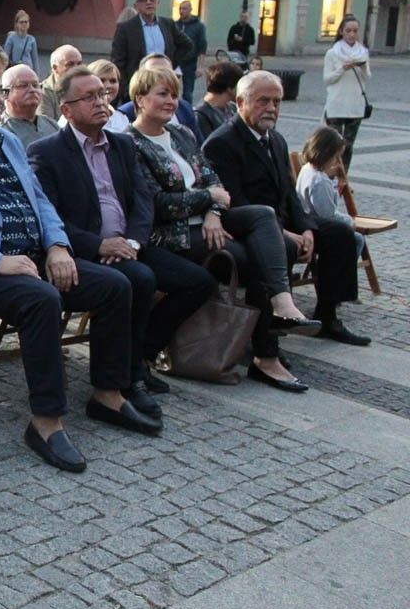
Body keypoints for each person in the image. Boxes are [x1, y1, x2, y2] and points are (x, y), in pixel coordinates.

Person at [0, 56, 147, 474]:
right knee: (41, 299)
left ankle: (108, 392)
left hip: (32, 259)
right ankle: (46, 422)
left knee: (115, 285)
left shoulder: (9, 141)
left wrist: (56, 246)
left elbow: (42, 203)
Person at [29, 67, 217, 406]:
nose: (101, 102)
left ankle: (141, 355)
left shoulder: (121, 145)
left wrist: (132, 242)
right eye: (89, 97)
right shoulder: (48, 152)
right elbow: (49, 216)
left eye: (102, 94)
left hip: (128, 246)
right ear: (66, 110)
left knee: (198, 281)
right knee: (139, 280)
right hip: (83, 251)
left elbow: (142, 202)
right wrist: (98, 244)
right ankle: (125, 380)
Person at [127, 66, 317, 390]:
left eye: (175, 94)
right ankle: (266, 354)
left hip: (207, 224)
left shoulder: (182, 135)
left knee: (263, 215)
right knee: (260, 256)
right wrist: (207, 199)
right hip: (171, 233)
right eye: (163, 94)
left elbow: (216, 183)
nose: (172, 101)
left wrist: (214, 211)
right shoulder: (130, 143)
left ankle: (281, 305)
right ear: (140, 99)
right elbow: (157, 203)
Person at [202, 70, 370, 351]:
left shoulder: (275, 140)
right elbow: (235, 202)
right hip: (247, 227)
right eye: (263, 101)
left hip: (282, 222)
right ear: (241, 102)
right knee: (285, 247)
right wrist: (287, 234)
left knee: (340, 233)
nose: (271, 108)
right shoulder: (222, 143)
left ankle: (328, 316)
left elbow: (289, 194)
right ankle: (269, 335)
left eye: (277, 102)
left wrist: (306, 228)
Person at [110, 0, 194, 94]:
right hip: (139, 86)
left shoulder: (167, 24)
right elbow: (118, 61)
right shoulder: (126, 28)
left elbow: (187, 45)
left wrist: (170, 64)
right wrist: (126, 89)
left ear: (157, 2)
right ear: (136, 5)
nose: (148, 2)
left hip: (165, 84)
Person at [297, 127, 365, 258]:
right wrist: (349, 221)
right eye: (336, 156)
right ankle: (344, 272)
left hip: (308, 222)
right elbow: (328, 215)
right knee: (357, 239)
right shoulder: (320, 181)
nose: (337, 161)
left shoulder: (307, 169)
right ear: (327, 155)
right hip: (318, 228)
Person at [322, 14, 370, 171]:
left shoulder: (363, 52)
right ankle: (330, 173)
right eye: (348, 30)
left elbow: (367, 77)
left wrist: (362, 67)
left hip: (355, 105)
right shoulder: (333, 53)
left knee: (348, 146)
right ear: (341, 31)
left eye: (355, 31)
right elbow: (327, 79)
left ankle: (343, 177)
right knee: (334, 144)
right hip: (336, 104)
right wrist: (342, 69)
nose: (352, 34)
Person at [117, 53, 203, 141]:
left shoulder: (184, 119)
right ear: (140, 99)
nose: (170, 101)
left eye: (174, 96)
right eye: (162, 94)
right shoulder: (124, 117)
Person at [0, 64, 60, 148]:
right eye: (23, 86)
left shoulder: (51, 124)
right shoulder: (0, 132)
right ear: (5, 94)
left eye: (35, 85)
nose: (32, 90)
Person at [194, 61, 243, 139]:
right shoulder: (200, 115)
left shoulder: (233, 107)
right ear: (229, 88)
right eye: (240, 85)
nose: (243, 89)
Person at [83, 60, 131, 134]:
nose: (108, 86)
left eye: (113, 81)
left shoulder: (122, 118)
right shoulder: (78, 115)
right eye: (102, 80)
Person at [175, 0, 207, 104]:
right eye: (180, 8)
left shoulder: (198, 26)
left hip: (190, 63)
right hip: (177, 62)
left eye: (184, 8)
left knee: (188, 92)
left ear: (190, 10)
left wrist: (200, 66)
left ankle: (188, 111)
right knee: (173, 89)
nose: (181, 11)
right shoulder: (176, 25)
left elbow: (202, 46)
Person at [38, 45, 82, 121]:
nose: (76, 69)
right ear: (55, 68)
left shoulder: (86, 87)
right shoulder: (43, 93)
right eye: (70, 64)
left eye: (79, 64)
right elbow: (47, 126)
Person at [2, 10, 40, 75]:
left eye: (26, 22)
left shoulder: (31, 39)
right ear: (17, 24)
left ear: (29, 24)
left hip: (28, 69)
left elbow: (35, 59)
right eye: (21, 22)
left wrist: (36, 74)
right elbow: (5, 56)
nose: (24, 24)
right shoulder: (11, 38)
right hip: (16, 70)